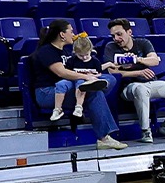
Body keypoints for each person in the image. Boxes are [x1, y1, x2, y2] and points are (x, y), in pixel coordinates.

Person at [30, 20, 126, 149]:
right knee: (94, 93)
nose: (73, 34)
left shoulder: (65, 51)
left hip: (70, 87)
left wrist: (94, 73)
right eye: (71, 31)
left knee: (111, 78)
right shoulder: (47, 51)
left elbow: (77, 70)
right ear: (62, 35)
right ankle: (104, 138)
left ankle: (93, 86)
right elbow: (61, 72)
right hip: (49, 92)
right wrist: (86, 77)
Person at [102, 18, 165, 141]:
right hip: (128, 87)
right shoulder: (111, 47)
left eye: (119, 34)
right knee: (140, 89)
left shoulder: (142, 43)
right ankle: (146, 131)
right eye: (113, 36)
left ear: (129, 32)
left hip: (150, 83)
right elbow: (112, 72)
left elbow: (154, 60)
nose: (116, 38)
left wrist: (137, 59)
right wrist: (138, 72)